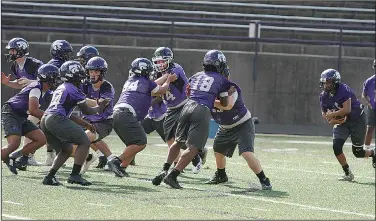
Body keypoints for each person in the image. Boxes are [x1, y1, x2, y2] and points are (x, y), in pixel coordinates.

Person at [152, 50, 232, 189]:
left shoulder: (196, 75)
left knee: (177, 142)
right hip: (201, 110)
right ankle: (173, 175)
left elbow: (188, 91)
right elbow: (225, 103)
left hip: (187, 106)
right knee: (194, 148)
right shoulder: (222, 80)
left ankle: (164, 169)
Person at [40, 60, 110, 186]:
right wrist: (100, 107)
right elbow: (87, 110)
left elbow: (68, 114)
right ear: (75, 74)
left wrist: (86, 124)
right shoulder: (74, 89)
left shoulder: (61, 87)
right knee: (84, 141)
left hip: (46, 119)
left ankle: (49, 177)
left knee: (66, 149)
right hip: (56, 119)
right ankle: (75, 175)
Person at [205, 68, 272, 190]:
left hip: (242, 124)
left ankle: (264, 179)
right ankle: (221, 175)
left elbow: (228, 105)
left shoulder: (231, 89)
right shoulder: (208, 90)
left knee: (246, 153)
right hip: (225, 127)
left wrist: (208, 100)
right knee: (218, 150)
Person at [107, 58, 173, 177]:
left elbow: (151, 88)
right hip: (126, 114)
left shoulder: (130, 81)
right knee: (141, 142)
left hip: (116, 113)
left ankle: (122, 168)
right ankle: (116, 161)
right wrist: (168, 79)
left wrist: (164, 77)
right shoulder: (146, 82)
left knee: (132, 143)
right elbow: (162, 90)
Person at [151, 47, 205, 175]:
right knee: (170, 138)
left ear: (169, 60)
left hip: (185, 105)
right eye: (157, 62)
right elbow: (152, 86)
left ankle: (195, 158)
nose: (160, 64)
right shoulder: (158, 73)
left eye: (162, 61)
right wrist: (157, 83)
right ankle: (180, 162)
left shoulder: (176, 68)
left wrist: (156, 83)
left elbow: (171, 78)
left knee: (183, 137)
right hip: (171, 108)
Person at [319, 69, 376, 181]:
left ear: (336, 81)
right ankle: (347, 173)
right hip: (342, 122)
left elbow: (347, 109)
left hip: (357, 120)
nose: (326, 85)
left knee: (358, 152)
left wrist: (332, 115)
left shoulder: (343, 89)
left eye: (329, 82)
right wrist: (332, 120)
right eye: (325, 82)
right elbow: (324, 114)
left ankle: (373, 153)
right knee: (336, 146)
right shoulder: (323, 95)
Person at [1, 64, 59, 174]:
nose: (56, 81)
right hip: (11, 112)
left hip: (21, 115)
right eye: (55, 78)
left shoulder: (43, 89)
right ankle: (11, 155)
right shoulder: (36, 88)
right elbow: (33, 110)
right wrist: (50, 118)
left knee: (41, 139)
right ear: (48, 78)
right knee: (14, 144)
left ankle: (14, 157)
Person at [1, 37, 44, 166]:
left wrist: (30, 82)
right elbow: (21, 85)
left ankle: (25, 157)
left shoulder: (34, 64)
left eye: (13, 50)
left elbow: (44, 81)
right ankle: (24, 157)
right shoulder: (15, 66)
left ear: (21, 50)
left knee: (40, 133)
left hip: (37, 99)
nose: (11, 53)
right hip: (26, 103)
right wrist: (8, 83)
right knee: (18, 140)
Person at [78, 56, 117, 173]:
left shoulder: (107, 87)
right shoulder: (85, 84)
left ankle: (80, 165)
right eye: (90, 71)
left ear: (102, 72)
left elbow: (101, 104)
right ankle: (110, 159)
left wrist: (83, 99)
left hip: (103, 121)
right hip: (87, 120)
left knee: (86, 136)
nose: (92, 74)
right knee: (69, 135)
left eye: (96, 71)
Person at [361, 59, 375, 150]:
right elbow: (364, 94)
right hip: (373, 108)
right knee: (370, 128)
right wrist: (368, 103)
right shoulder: (369, 81)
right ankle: (366, 149)